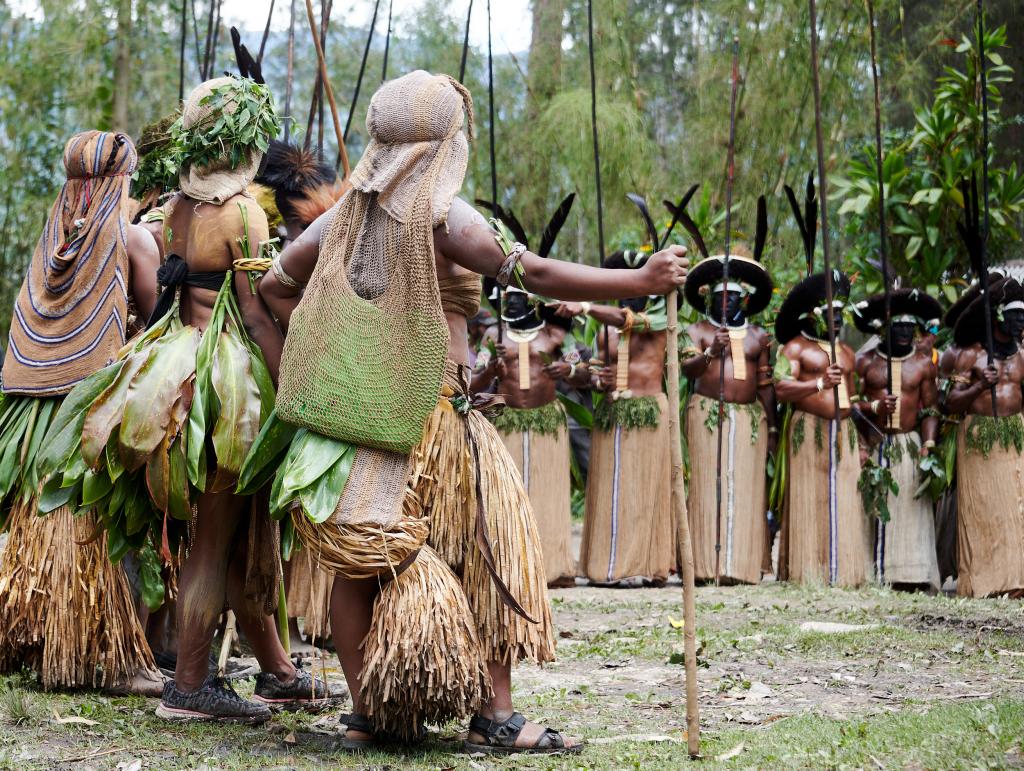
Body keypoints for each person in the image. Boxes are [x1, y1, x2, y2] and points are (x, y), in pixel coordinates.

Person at [257, 70, 688, 752]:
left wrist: (326, 364)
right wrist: (639, 281)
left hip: (367, 419)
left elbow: (274, 287)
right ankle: (497, 714)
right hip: (436, 415)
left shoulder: (348, 216)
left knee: (361, 564)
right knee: (487, 552)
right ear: (441, 144)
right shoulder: (442, 211)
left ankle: (368, 709)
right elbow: (533, 274)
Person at [38, 80, 331, 721]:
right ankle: (192, 682)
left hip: (172, 371)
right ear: (245, 144)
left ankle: (270, 669)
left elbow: (169, 298)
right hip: (226, 383)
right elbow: (256, 316)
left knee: (221, 534)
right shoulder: (245, 213)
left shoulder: (174, 209)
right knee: (214, 540)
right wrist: (293, 395)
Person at [0, 131, 164, 695]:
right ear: (122, 181)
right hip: (90, 414)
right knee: (113, 527)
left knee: (45, 527)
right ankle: (117, 659)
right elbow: (158, 320)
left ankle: (48, 640)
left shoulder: (52, 240)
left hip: (34, 413)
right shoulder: (131, 238)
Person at [256, 138, 347, 653]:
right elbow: (269, 296)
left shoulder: (334, 230)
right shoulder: (268, 244)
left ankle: (311, 615)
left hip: (323, 381)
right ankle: (278, 621)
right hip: (284, 380)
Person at [562, 250, 675, 587]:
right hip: (612, 413)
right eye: (623, 283)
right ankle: (607, 564)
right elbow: (595, 372)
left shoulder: (660, 320)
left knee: (644, 488)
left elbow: (630, 320)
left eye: (636, 281)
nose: (629, 291)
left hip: (647, 411)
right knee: (611, 486)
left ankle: (646, 564)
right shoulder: (604, 333)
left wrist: (584, 306)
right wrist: (594, 378)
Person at [681, 242, 775, 585]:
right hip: (707, 413)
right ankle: (706, 567)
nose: (726, 303)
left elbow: (765, 385)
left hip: (750, 419)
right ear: (709, 300)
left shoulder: (759, 337)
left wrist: (774, 429)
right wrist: (710, 353)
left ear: (743, 299)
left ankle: (743, 566)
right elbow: (687, 371)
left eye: (732, 298)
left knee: (746, 488)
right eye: (720, 298)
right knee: (708, 486)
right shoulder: (697, 332)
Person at [774, 270, 870, 586]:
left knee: (844, 496)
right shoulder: (795, 348)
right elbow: (781, 389)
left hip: (844, 432)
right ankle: (807, 569)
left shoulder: (846, 353)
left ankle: (843, 571)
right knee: (809, 495)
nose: (837, 320)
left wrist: (863, 442)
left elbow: (854, 398)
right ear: (812, 317)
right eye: (831, 315)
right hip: (809, 428)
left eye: (841, 314)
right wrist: (818, 383)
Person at [480, 289, 577, 587]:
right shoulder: (493, 334)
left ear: (534, 299)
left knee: (548, 490)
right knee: (507, 493)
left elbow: (582, 369)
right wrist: (490, 368)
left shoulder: (555, 333)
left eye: (520, 295)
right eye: (508, 295)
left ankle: (553, 565)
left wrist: (569, 368)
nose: (514, 301)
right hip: (506, 419)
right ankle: (510, 565)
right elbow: (478, 373)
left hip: (546, 418)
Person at [853, 289, 943, 591]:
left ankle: (911, 574)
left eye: (910, 327)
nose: (905, 332)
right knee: (875, 508)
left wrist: (928, 445)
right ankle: (873, 571)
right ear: (883, 329)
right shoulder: (865, 362)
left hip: (909, 443)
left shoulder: (923, 364)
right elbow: (848, 404)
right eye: (898, 326)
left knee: (909, 507)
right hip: (876, 442)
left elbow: (931, 409)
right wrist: (872, 409)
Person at [945, 276, 1024, 598]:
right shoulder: (970, 356)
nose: (1022, 322)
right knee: (981, 508)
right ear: (1000, 317)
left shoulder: (1022, 355)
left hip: (1014, 433)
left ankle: (1016, 579)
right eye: (1016, 315)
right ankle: (982, 580)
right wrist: (979, 386)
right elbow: (949, 401)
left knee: (1016, 509)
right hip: (978, 434)